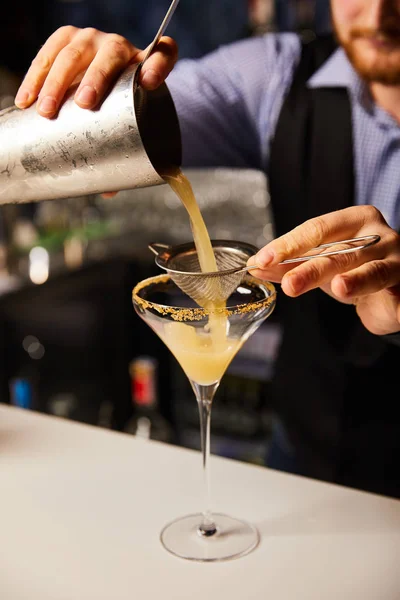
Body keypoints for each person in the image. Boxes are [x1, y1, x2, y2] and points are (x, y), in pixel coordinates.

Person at [15, 0, 400, 497]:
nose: (376, 12)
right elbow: (150, 114)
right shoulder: (277, 73)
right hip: (303, 448)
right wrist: (106, 96)